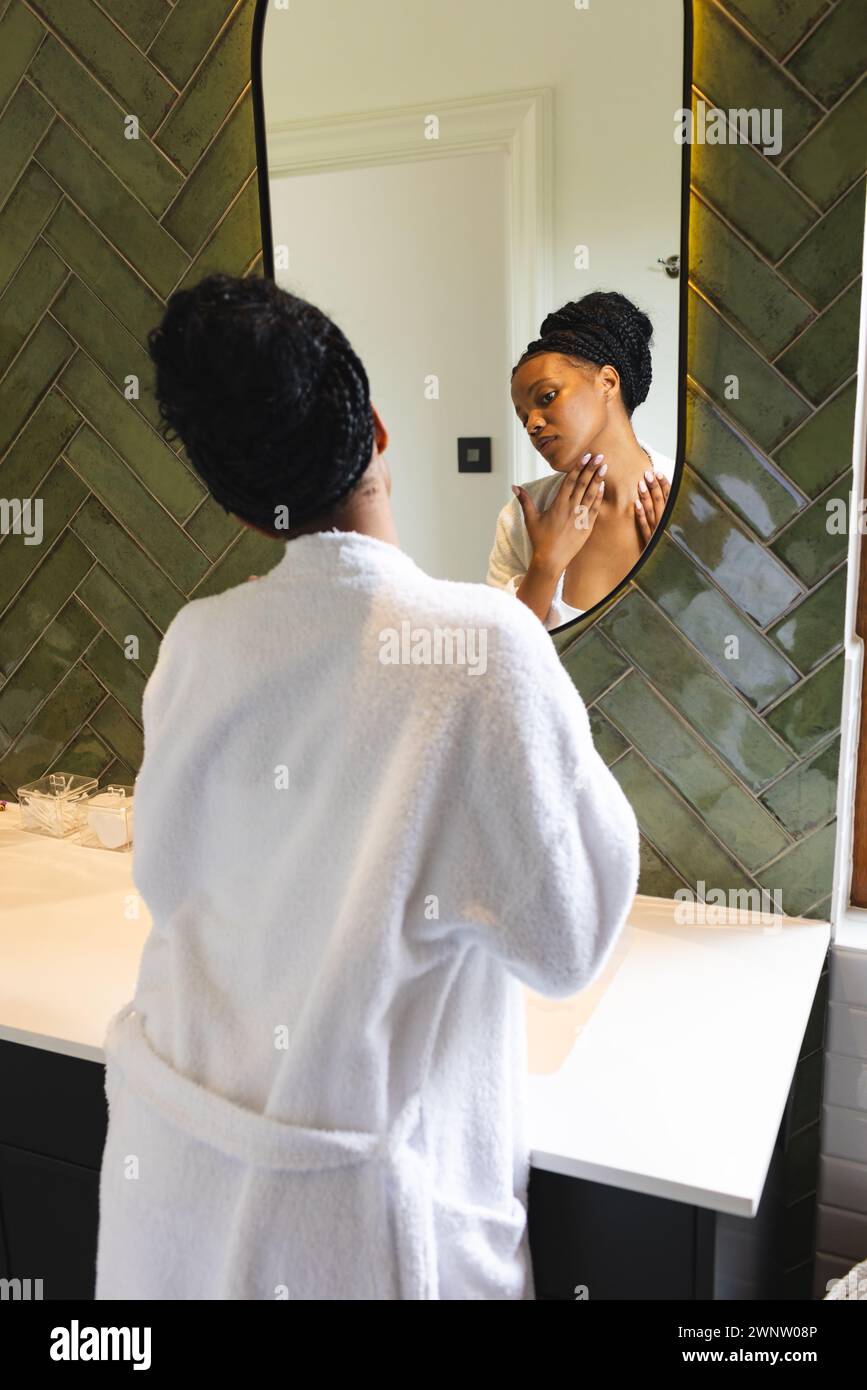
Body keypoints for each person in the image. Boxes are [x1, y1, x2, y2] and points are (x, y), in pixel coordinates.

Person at [94, 273, 641, 1301]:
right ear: (380, 430)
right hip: (354, 1238)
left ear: (247, 511)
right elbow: (570, 941)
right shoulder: (485, 653)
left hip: (178, 1196)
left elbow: (171, 875)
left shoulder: (198, 644)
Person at [487, 291, 675, 630]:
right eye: (523, 416)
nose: (532, 424)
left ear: (607, 382)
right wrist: (546, 563)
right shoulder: (519, 520)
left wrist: (678, 573)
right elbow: (498, 657)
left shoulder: (688, 499)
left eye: (547, 397)